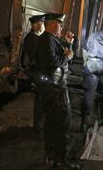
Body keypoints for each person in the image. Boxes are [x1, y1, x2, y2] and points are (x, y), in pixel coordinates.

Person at [34, 13, 81, 170]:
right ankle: (61, 159)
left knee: (52, 122)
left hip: (53, 87)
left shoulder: (51, 40)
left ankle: (51, 157)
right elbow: (52, 62)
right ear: (53, 24)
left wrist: (68, 45)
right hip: (55, 89)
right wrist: (67, 57)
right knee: (63, 123)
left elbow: (60, 54)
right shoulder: (47, 40)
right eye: (60, 24)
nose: (62, 27)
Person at [20, 14, 45, 138]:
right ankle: (38, 128)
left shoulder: (36, 38)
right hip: (36, 71)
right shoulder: (32, 39)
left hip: (37, 70)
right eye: (42, 24)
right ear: (35, 25)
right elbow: (35, 59)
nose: (43, 26)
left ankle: (40, 126)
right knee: (40, 100)